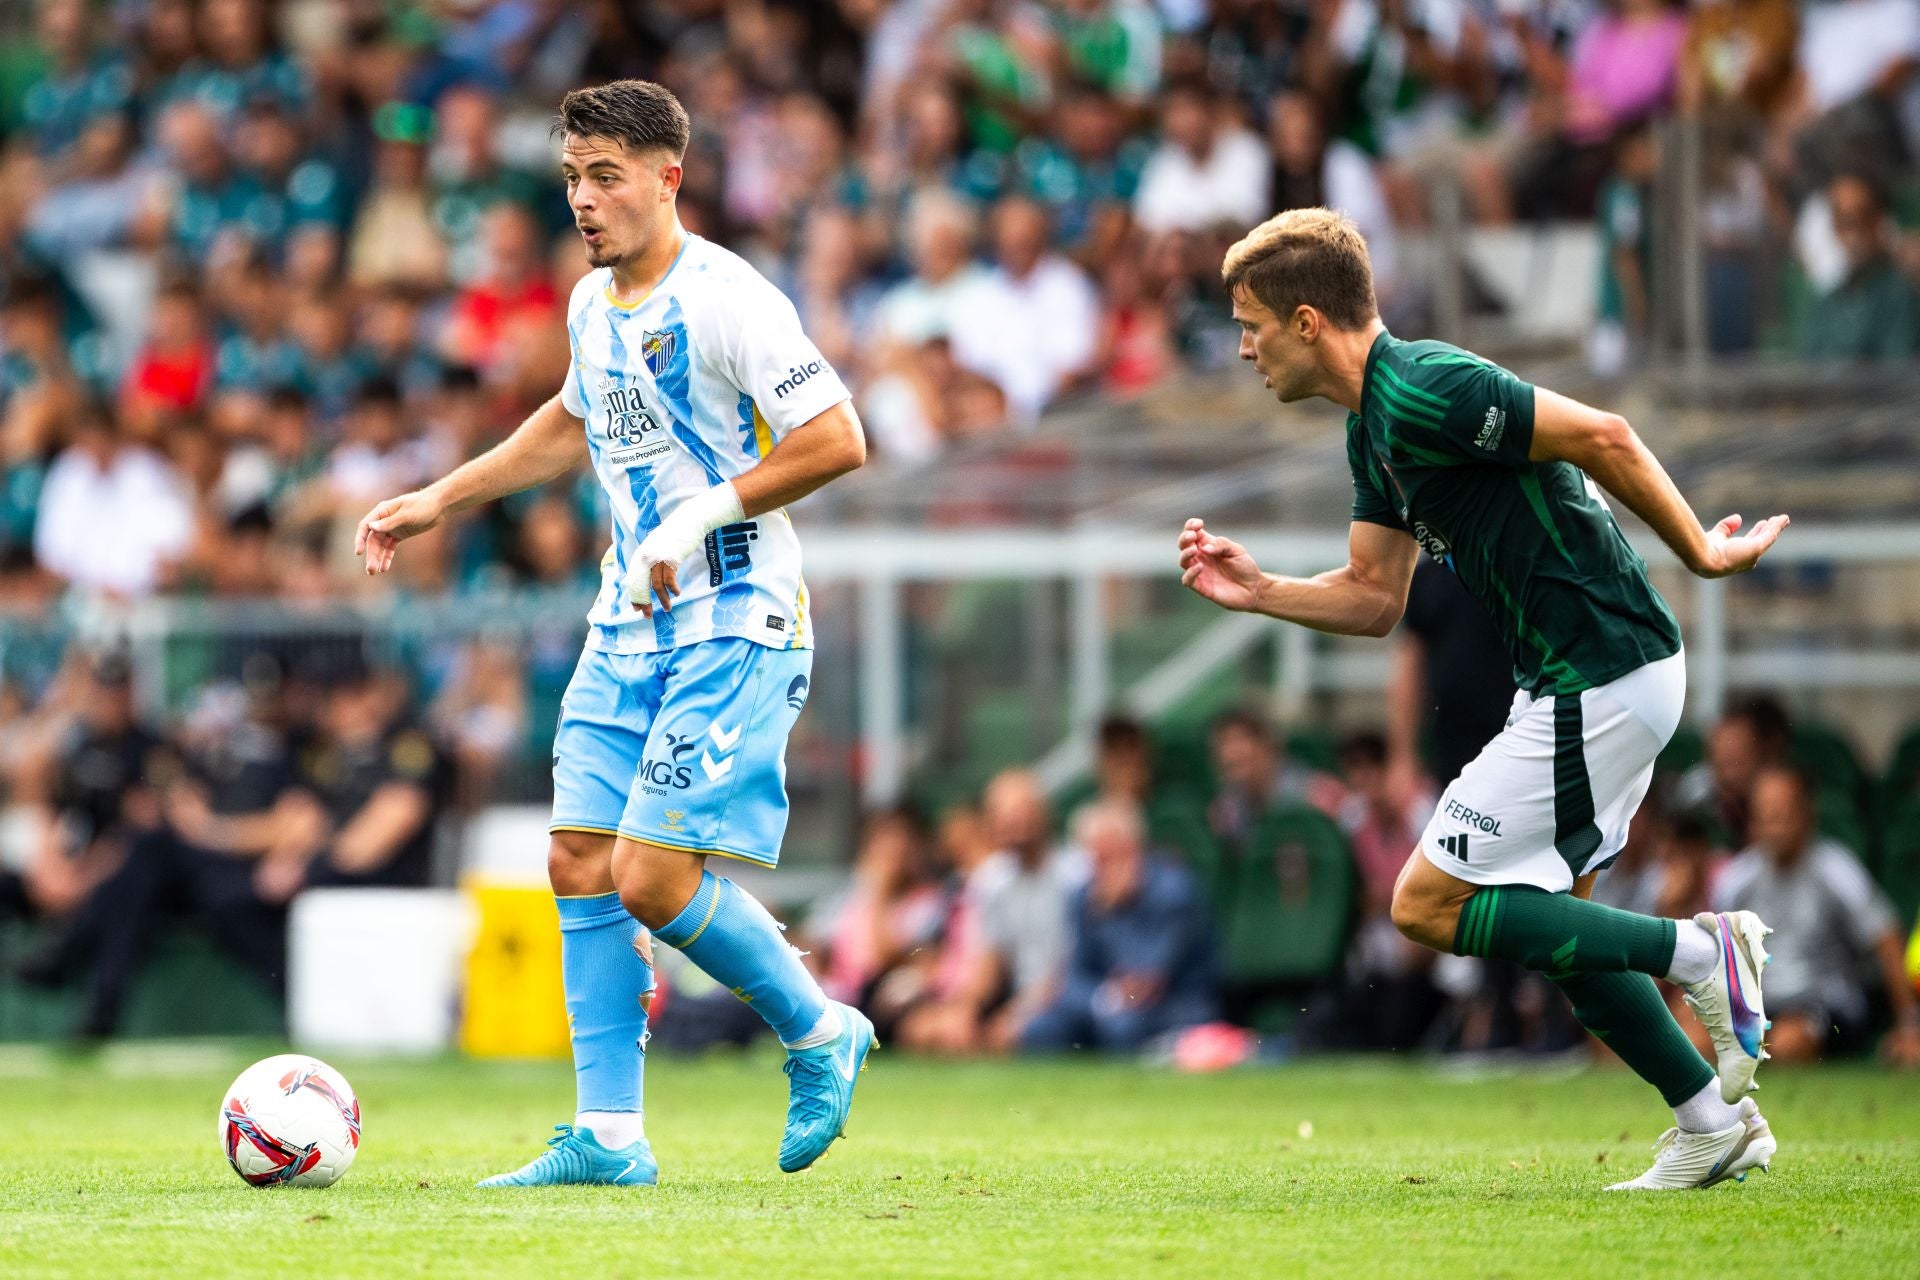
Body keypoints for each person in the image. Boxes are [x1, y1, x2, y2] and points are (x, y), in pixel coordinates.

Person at [1177, 207, 1789, 1190]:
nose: (1243, 348)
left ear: (1305, 322)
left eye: (1250, 325)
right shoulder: (1371, 430)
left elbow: (1604, 434)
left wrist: (1702, 554)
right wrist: (1263, 592)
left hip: (1603, 670)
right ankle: (1712, 1122)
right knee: (1563, 935)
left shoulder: (1425, 385)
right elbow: (1375, 597)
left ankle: (1700, 951)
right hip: (1582, 677)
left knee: (1425, 903)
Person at [352, 80, 871, 1188]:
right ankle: (610, 1136)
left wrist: (703, 511)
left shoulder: (729, 298)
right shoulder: (592, 305)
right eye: (572, 178)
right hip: (627, 620)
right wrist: (441, 498)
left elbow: (837, 438)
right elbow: (573, 417)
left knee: (649, 875)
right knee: (577, 858)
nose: (582, 200)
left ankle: (821, 1027)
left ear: (668, 178)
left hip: (735, 616)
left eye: (605, 177)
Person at [1715, 764, 1920, 1069]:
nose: (1775, 826)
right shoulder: (1736, 879)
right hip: (1757, 1006)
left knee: (1786, 1045)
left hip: (1822, 1006)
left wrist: (1910, 1026)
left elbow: (1885, 936)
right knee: (1696, 1039)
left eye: (1783, 814)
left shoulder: (1836, 869)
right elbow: (1713, 949)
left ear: (1807, 814)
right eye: (1765, 816)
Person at [1021, 800, 1217, 1054]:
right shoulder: (1083, 896)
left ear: (1134, 850)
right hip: (1109, 1008)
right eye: (1094, 859)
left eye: (1109, 858)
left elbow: (1146, 982)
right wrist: (1102, 1001)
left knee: (1122, 1026)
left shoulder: (1173, 893)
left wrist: (1113, 914)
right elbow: (1072, 978)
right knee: (1041, 1029)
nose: (1099, 870)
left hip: (1175, 1006)